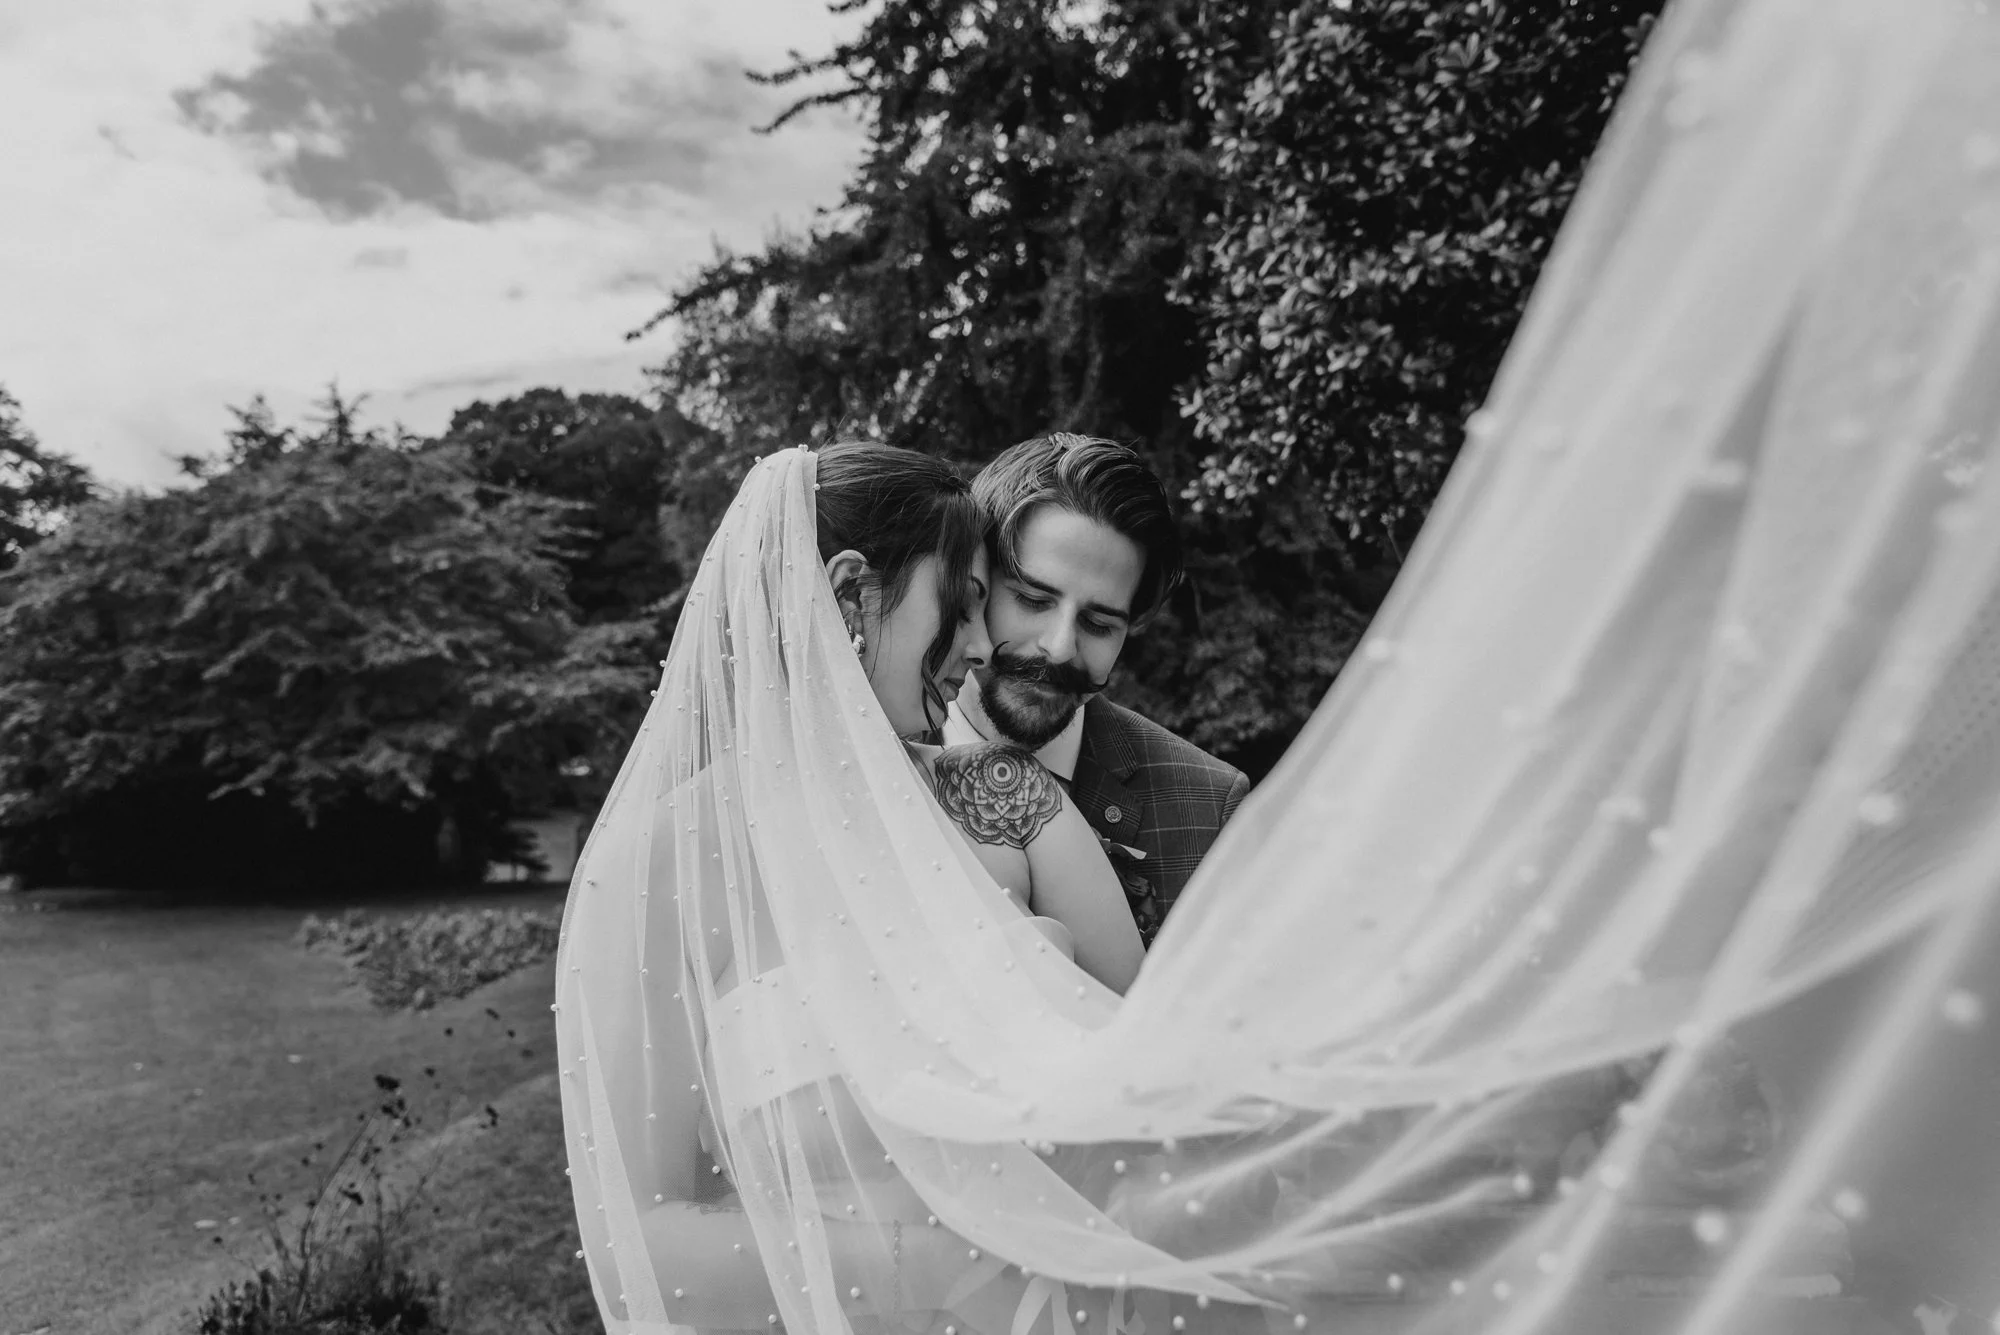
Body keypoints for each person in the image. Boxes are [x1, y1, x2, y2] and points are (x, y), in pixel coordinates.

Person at [560, 1, 2000, 1331]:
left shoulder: (1008, 807)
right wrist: (977, 1279)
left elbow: (1186, 1082)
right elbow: (645, 1224)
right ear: (854, 596)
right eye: (983, 608)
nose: (1004, 651)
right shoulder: (663, 876)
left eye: (1097, 620)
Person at [945, 434, 1249, 943]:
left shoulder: (1207, 808)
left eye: (1100, 623)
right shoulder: (867, 760)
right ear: (973, 582)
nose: (1061, 648)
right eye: (1032, 600)